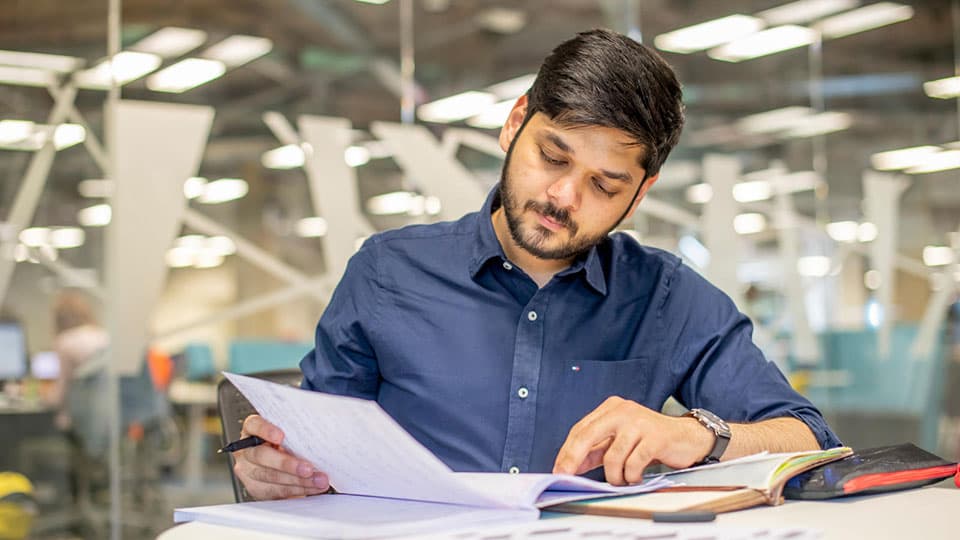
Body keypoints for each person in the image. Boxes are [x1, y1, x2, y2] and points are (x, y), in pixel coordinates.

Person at [234, 29, 841, 500]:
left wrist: (700, 434)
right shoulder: (387, 274)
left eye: (604, 185)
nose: (564, 197)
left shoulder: (667, 297)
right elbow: (312, 452)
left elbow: (811, 441)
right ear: (515, 121)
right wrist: (279, 474)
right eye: (553, 157)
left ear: (643, 191)